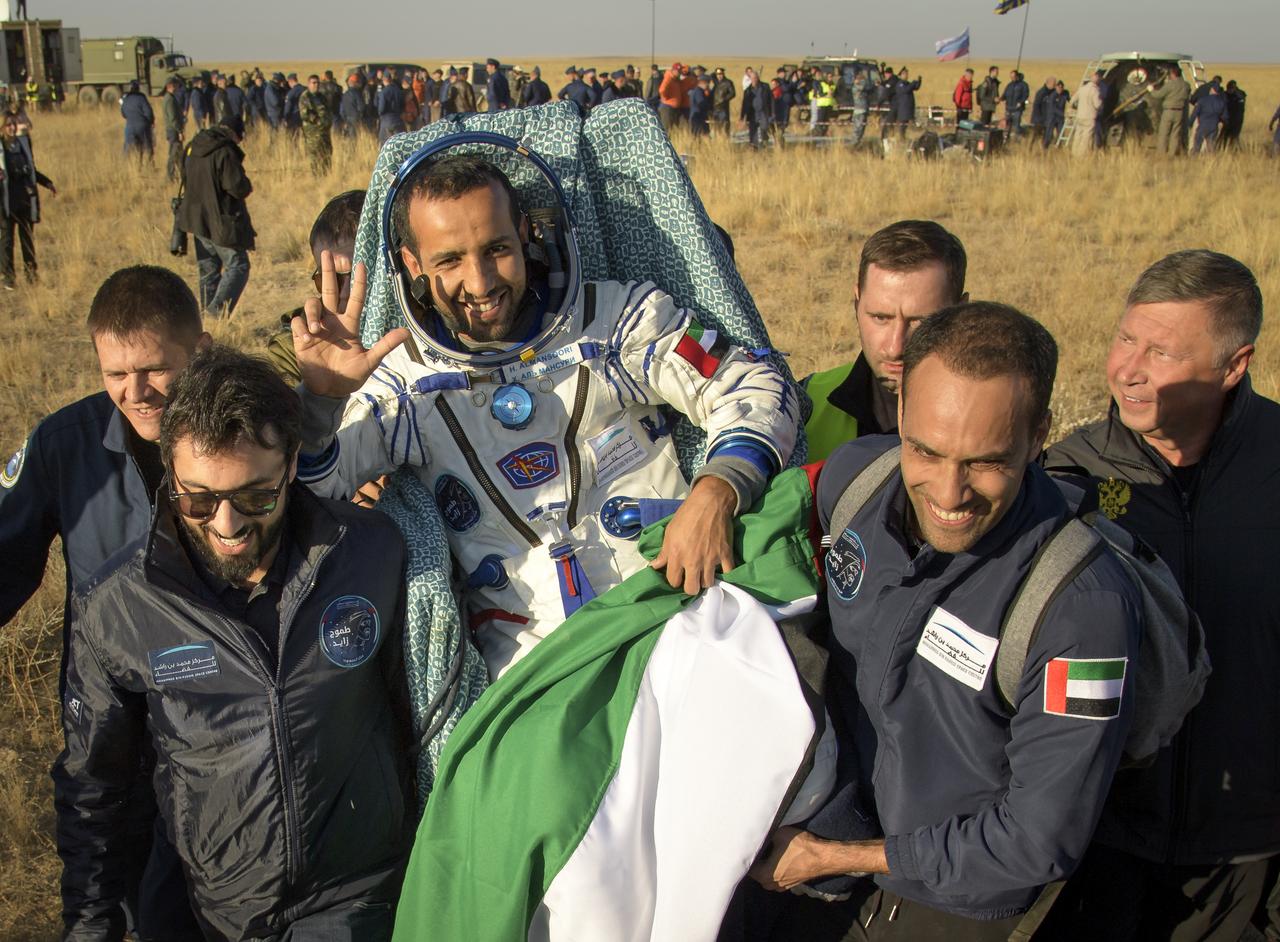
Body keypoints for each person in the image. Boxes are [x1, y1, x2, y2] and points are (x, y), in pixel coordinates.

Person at [290, 153, 798, 680]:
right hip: (536, 674)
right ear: (413, 265)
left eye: (497, 249)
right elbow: (312, 495)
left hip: (677, 614)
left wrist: (717, 490)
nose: (481, 282)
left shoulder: (617, 325)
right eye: (450, 262)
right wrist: (321, 402)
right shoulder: (405, 385)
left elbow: (756, 383)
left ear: (528, 233)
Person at [758, 302, 1142, 940]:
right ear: (902, 408)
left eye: (987, 461)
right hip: (823, 872)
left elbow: (1036, 841)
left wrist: (838, 857)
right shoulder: (855, 483)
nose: (948, 491)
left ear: (1039, 433)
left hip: (954, 909)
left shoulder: (1082, 610)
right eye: (926, 451)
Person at [53, 345, 418, 942]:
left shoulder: (372, 552)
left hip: (365, 901)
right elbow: (94, 782)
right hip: (220, 913)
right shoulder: (117, 609)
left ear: (293, 466)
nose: (227, 525)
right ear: (169, 476)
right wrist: (90, 923)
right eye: (198, 499)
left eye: (255, 497)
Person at [1040, 250, 1278, 942]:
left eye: (1163, 352)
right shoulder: (1067, 475)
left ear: (1234, 365)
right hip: (1101, 839)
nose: (1128, 369)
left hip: (1248, 849)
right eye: (1125, 339)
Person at [2, 266, 208, 940]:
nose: (135, 391)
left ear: (198, 350)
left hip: (215, 714)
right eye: (115, 372)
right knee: (112, 901)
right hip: (110, 726)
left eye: (153, 369)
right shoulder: (64, 445)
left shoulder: (243, 430)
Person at [802, 220, 966, 461]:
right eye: (880, 317)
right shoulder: (803, 404)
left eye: (920, 322)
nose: (895, 347)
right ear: (857, 303)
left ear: (960, 313)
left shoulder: (993, 413)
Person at [175, 119, 254, 316]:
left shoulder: (193, 146)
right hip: (221, 221)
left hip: (196, 219)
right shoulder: (224, 151)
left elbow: (183, 175)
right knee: (238, 265)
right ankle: (215, 314)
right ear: (235, 133)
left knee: (208, 270)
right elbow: (238, 187)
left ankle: (205, 322)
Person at [0, 111, 54, 289]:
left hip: (25, 199)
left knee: (27, 239)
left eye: (14, 124)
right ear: (2, 127)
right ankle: (8, 277)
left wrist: (46, 182)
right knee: (7, 241)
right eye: (8, 124)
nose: (12, 127)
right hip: (6, 202)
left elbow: (31, 169)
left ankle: (31, 275)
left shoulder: (23, 143)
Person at [1147, 65, 1191, 156]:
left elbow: (1158, 95)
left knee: (1164, 133)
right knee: (1175, 134)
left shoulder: (1170, 85)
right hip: (1180, 112)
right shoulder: (1186, 85)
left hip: (1168, 112)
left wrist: (1151, 90)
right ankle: (1172, 153)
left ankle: (1161, 153)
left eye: (1170, 74)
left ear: (1173, 74)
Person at [299, 74, 332, 175]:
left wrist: (328, 121)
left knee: (327, 153)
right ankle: (316, 175)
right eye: (313, 83)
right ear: (308, 84)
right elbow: (305, 114)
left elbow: (328, 110)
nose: (316, 85)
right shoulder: (305, 97)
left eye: (317, 83)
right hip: (313, 132)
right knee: (315, 155)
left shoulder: (322, 97)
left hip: (324, 132)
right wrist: (318, 121)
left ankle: (326, 174)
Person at [120, 80, 154, 162]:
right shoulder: (142, 98)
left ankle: (126, 164)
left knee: (127, 148)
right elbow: (148, 112)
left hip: (129, 127)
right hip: (142, 126)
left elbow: (123, 113)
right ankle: (149, 164)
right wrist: (151, 121)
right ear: (138, 88)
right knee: (147, 147)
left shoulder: (126, 99)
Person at [1190, 82, 1227, 153]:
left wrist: (1190, 123)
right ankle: (1212, 160)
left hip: (1202, 125)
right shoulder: (1221, 102)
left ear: (1212, 90)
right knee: (1211, 146)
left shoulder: (1202, 100)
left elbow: (1195, 113)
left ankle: (1194, 159)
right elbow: (1225, 117)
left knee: (1197, 145)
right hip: (1214, 126)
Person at [1072, 72, 1104, 154]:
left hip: (1079, 116)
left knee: (1078, 135)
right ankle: (1082, 155)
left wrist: (1077, 107)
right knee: (1086, 137)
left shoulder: (1082, 88)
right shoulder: (1095, 90)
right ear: (1097, 78)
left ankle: (1074, 152)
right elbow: (1097, 105)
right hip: (1089, 117)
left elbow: (1072, 101)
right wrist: (1102, 105)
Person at [161, 78, 185, 182]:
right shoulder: (170, 99)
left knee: (179, 154)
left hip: (172, 130)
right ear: (170, 86)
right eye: (175, 85)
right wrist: (180, 131)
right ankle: (170, 176)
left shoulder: (169, 98)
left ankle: (183, 174)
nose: (177, 87)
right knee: (173, 154)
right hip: (173, 131)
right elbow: (173, 118)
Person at [658, 62, 694, 131]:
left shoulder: (675, 79)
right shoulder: (669, 78)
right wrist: (665, 98)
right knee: (667, 129)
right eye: (678, 71)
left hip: (673, 108)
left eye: (680, 71)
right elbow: (662, 90)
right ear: (673, 70)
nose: (679, 72)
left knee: (672, 129)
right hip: (667, 108)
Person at [740, 68, 771, 147]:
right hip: (752, 113)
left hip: (763, 112)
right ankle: (754, 146)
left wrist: (772, 113)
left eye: (756, 78)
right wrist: (742, 117)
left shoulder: (765, 87)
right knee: (753, 130)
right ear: (750, 79)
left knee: (764, 128)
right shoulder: (747, 90)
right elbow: (744, 104)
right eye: (752, 78)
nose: (754, 80)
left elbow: (771, 100)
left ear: (758, 78)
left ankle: (764, 140)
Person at [889, 67, 921, 139]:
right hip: (903, 109)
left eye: (907, 74)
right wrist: (912, 83)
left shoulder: (907, 83)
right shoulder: (900, 84)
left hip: (908, 109)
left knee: (906, 126)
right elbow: (906, 90)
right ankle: (901, 138)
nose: (907, 75)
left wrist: (919, 82)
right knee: (902, 127)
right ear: (902, 75)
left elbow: (915, 88)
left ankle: (904, 138)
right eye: (905, 74)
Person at [376, 73, 404, 142]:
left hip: (386, 120)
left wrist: (380, 114)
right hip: (398, 119)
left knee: (385, 143)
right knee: (399, 142)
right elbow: (402, 104)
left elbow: (381, 109)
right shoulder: (398, 91)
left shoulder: (383, 92)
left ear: (384, 80)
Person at [1002, 69, 1029, 138]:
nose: (1012, 78)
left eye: (1013, 77)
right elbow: (1005, 94)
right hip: (1008, 109)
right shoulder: (1009, 85)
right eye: (1011, 77)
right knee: (1006, 127)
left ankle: (1018, 139)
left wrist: (1021, 102)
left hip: (1017, 110)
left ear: (1017, 76)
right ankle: (1006, 139)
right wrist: (1001, 98)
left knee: (1016, 127)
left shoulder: (1023, 85)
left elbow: (1025, 95)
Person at [711, 66, 736, 137]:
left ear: (723, 74)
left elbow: (733, 93)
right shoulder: (716, 83)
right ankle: (718, 140)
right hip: (715, 108)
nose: (719, 76)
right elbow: (711, 75)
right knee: (716, 126)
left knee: (725, 125)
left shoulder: (728, 82)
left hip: (723, 108)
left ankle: (726, 139)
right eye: (717, 74)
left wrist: (724, 99)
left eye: (721, 74)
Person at [1045, 80, 1070, 149]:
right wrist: (1064, 114)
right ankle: (1045, 147)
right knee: (1049, 134)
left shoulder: (1065, 93)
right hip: (1052, 117)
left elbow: (1070, 100)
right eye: (1058, 87)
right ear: (1056, 87)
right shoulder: (1052, 96)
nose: (1060, 89)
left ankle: (1059, 147)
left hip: (1060, 118)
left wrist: (1075, 106)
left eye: (1061, 87)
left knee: (1061, 133)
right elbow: (1053, 108)